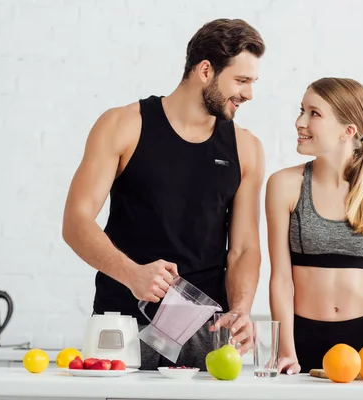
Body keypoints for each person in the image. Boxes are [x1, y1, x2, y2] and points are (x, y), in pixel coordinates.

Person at [62, 18, 266, 370]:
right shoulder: (123, 124)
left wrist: (241, 310)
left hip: (207, 332)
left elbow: (245, 248)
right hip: (122, 325)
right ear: (205, 70)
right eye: (241, 80)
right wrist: (131, 274)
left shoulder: (246, 148)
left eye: (252, 82)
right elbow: (75, 222)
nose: (249, 93)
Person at [265, 77, 363, 374]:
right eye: (301, 110)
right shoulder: (284, 185)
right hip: (302, 340)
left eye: (314, 113)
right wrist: (285, 351)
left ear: (348, 131)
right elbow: (281, 280)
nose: (300, 121)